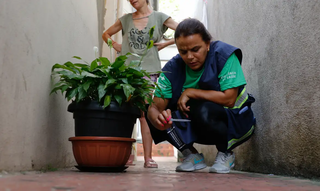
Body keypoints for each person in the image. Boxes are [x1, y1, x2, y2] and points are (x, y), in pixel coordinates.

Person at [147, 18, 256, 173]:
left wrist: (191, 92)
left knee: (202, 108)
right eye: (183, 52)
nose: (189, 57)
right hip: (198, 126)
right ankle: (191, 155)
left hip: (237, 122)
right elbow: (154, 107)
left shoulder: (224, 55)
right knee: (150, 110)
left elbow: (230, 99)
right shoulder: (172, 68)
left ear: (207, 44)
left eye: (195, 49)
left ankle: (226, 153)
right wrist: (158, 120)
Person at [102, 0, 178, 168]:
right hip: (126, 72)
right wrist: (115, 45)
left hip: (149, 70)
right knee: (126, 110)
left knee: (144, 112)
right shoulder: (125, 20)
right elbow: (105, 35)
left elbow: (183, 31)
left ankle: (148, 158)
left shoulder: (159, 17)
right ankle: (127, 153)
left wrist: (166, 43)